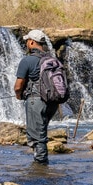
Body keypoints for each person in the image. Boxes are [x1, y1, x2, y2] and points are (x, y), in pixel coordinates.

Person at [14, 29, 60, 164]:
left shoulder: (27, 60)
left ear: (32, 42)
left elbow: (18, 86)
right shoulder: (52, 59)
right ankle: (41, 164)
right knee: (42, 132)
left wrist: (19, 96)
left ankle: (40, 168)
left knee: (37, 137)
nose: (26, 44)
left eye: (27, 41)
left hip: (36, 101)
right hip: (52, 102)